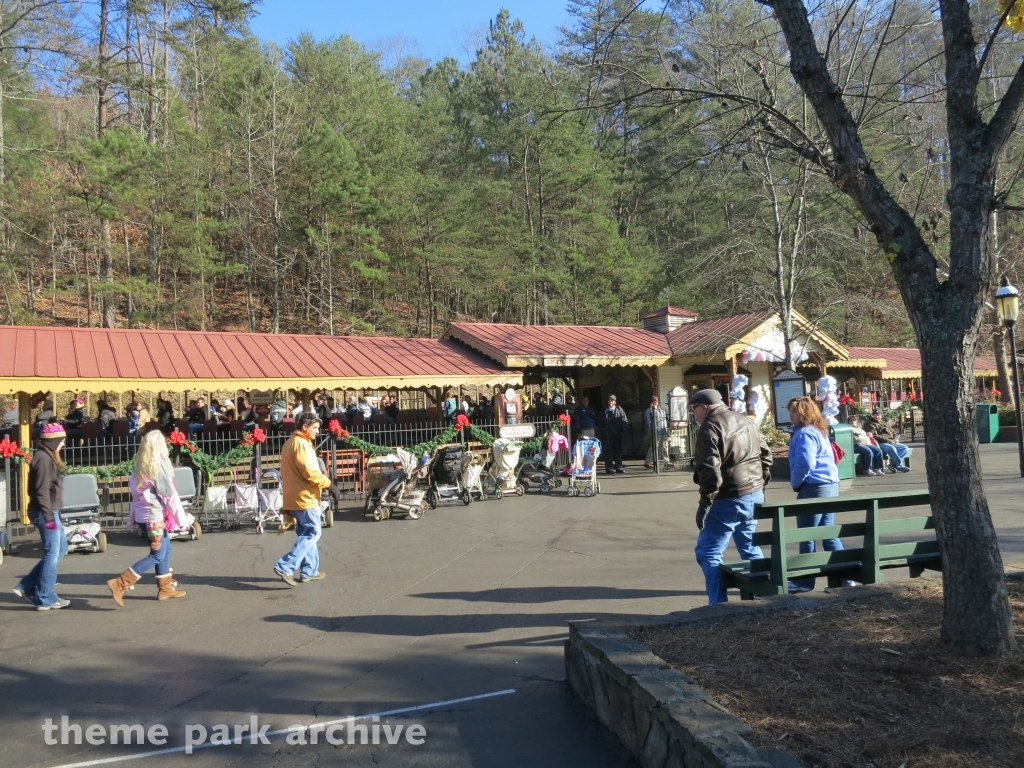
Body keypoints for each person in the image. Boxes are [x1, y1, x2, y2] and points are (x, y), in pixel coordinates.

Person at [691, 390, 772, 605]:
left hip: (730, 496)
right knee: (749, 544)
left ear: (704, 407)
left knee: (708, 552)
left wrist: (704, 502)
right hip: (754, 494)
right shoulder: (747, 421)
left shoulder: (710, 427)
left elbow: (710, 470)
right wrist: (760, 484)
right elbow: (766, 456)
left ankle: (718, 605)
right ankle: (770, 596)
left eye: (694, 410)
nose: (694, 415)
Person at [106, 430, 188, 606]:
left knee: (165, 550)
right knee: (157, 554)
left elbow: (136, 497)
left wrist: (132, 519)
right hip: (154, 517)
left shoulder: (141, 465)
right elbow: (169, 495)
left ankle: (165, 588)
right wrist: (181, 520)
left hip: (145, 516)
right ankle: (120, 583)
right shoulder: (158, 464)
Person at [787, 397, 857, 592]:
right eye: (790, 410)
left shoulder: (804, 434)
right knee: (828, 533)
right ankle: (845, 577)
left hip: (813, 486)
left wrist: (795, 482)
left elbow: (805, 462)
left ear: (804, 413)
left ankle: (804, 581)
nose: (790, 414)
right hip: (830, 484)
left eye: (794, 411)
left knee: (807, 535)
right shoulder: (819, 431)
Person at [13, 424, 70, 610]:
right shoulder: (43, 459)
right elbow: (41, 492)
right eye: (61, 441)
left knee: (61, 548)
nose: (63, 444)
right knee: (51, 554)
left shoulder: (46, 457)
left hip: (50, 511)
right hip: (46, 512)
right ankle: (45, 596)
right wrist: (50, 518)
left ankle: (27, 586)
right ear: (53, 441)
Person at [274, 413, 332, 586]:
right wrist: (329, 485)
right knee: (313, 533)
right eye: (315, 428)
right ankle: (285, 566)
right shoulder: (302, 444)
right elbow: (311, 473)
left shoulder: (290, 442)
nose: (317, 432)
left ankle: (309, 571)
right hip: (304, 497)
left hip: (294, 497)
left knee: (306, 534)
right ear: (304, 427)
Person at [600, 394, 629, 474]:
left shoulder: (619, 410)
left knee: (618, 451)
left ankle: (619, 466)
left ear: (615, 402)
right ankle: (609, 468)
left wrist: (624, 428)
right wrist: (603, 429)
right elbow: (599, 421)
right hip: (607, 434)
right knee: (608, 451)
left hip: (617, 434)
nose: (610, 402)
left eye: (612, 400)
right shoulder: (604, 411)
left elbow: (625, 420)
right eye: (609, 400)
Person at [644, 396, 670, 469]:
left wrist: (666, 429)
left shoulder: (662, 410)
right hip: (656, 432)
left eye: (656, 400)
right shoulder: (649, 410)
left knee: (665, 447)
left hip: (663, 431)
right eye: (653, 401)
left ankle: (667, 462)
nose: (655, 402)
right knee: (654, 447)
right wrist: (655, 429)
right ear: (651, 402)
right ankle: (648, 461)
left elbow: (664, 421)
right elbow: (649, 422)